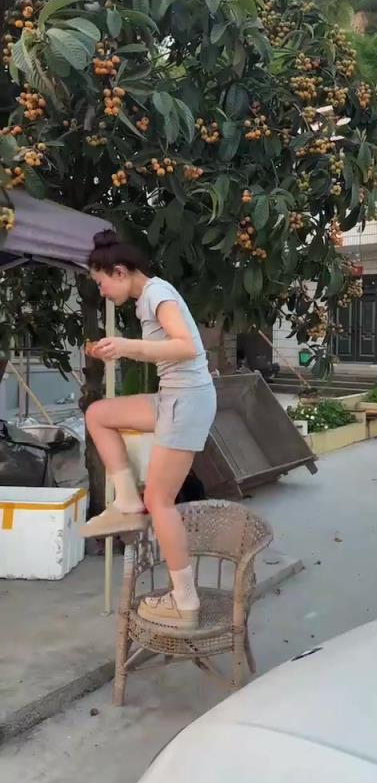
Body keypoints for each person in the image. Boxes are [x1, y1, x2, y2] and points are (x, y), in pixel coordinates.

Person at [80, 231, 216, 633]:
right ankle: (126, 501)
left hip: (186, 400)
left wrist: (127, 347)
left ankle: (185, 600)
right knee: (98, 414)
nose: (103, 292)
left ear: (120, 272)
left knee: (160, 500)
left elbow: (186, 346)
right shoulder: (146, 299)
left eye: (102, 283)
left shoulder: (157, 292)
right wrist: (114, 348)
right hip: (171, 396)